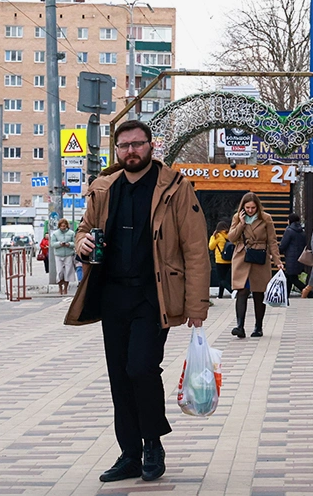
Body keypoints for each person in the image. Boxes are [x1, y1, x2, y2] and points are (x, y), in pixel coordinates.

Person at [65, 119, 209, 484]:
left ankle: (152, 444)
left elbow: (195, 249)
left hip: (153, 295)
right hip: (112, 295)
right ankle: (129, 454)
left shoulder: (175, 188)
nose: (131, 151)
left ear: (151, 146)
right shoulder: (103, 188)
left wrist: (197, 306)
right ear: (116, 150)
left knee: (141, 368)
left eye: (138, 144)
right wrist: (82, 243)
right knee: (119, 375)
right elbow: (84, 229)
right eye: (124, 145)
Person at [227, 192, 283, 338]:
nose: (250, 210)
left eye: (253, 208)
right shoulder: (237, 217)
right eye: (247, 208)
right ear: (243, 207)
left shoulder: (266, 218)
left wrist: (277, 261)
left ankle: (258, 327)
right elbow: (231, 237)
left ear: (258, 206)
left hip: (259, 257)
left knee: (259, 293)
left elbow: (272, 241)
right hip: (242, 257)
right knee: (242, 291)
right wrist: (241, 223)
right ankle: (240, 326)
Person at [278, 213, 306, 295]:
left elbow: (283, 244)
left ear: (289, 220)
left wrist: (277, 253)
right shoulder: (302, 231)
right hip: (299, 257)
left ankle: (308, 291)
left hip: (291, 258)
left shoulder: (289, 231)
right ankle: (286, 295)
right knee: (289, 276)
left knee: (292, 277)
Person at [50, 218, 76, 295]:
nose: (63, 227)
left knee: (68, 272)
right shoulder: (55, 233)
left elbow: (75, 243)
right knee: (60, 272)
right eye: (61, 226)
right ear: (59, 226)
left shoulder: (71, 233)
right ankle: (60, 287)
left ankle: (66, 288)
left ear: (67, 226)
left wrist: (69, 244)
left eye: (64, 226)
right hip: (58, 254)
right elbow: (52, 244)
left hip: (69, 254)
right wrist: (59, 244)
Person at [208, 219, 233, 299]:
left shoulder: (217, 236)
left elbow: (211, 247)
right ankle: (220, 295)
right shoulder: (230, 235)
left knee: (221, 279)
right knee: (225, 278)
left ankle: (232, 291)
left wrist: (213, 237)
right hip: (229, 260)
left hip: (220, 260)